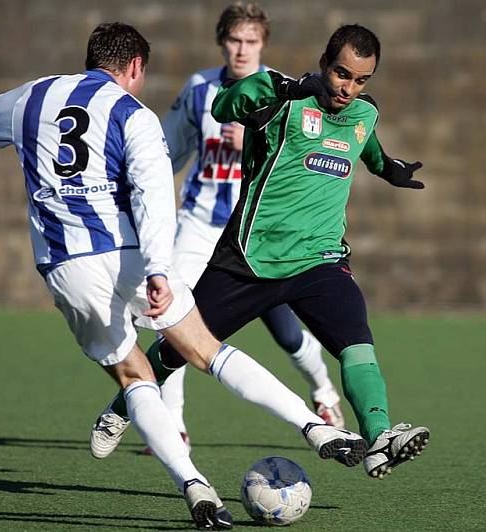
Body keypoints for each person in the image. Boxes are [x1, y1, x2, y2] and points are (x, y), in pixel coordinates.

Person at [0, 22, 366, 529]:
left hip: (69, 267)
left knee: (135, 375)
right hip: (133, 253)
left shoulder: (36, 96)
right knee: (206, 348)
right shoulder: (134, 115)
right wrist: (158, 268)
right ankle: (314, 427)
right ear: (135, 67)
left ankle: (193, 484)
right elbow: (155, 197)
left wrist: (28, 144)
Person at [89, 24, 430, 479]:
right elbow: (222, 105)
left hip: (319, 260)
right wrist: (275, 84)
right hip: (249, 260)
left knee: (357, 343)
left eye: (361, 80)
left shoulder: (364, 113)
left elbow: (364, 145)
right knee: (176, 347)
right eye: (342, 75)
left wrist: (390, 169)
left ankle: (380, 435)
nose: (349, 89)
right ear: (325, 64)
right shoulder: (280, 98)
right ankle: (120, 408)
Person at [153, 3, 344, 454]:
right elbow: (168, 152)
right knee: (171, 320)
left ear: (263, 44)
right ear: (222, 42)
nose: (242, 49)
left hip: (257, 229)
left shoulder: (285, 89)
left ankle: (324, 391)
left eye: (251, 41)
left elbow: (305, 159)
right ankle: (173, 426)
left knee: (286, 331)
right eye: (234, 40)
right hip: (199, 224)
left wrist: (256, 139)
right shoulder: (199, 88)